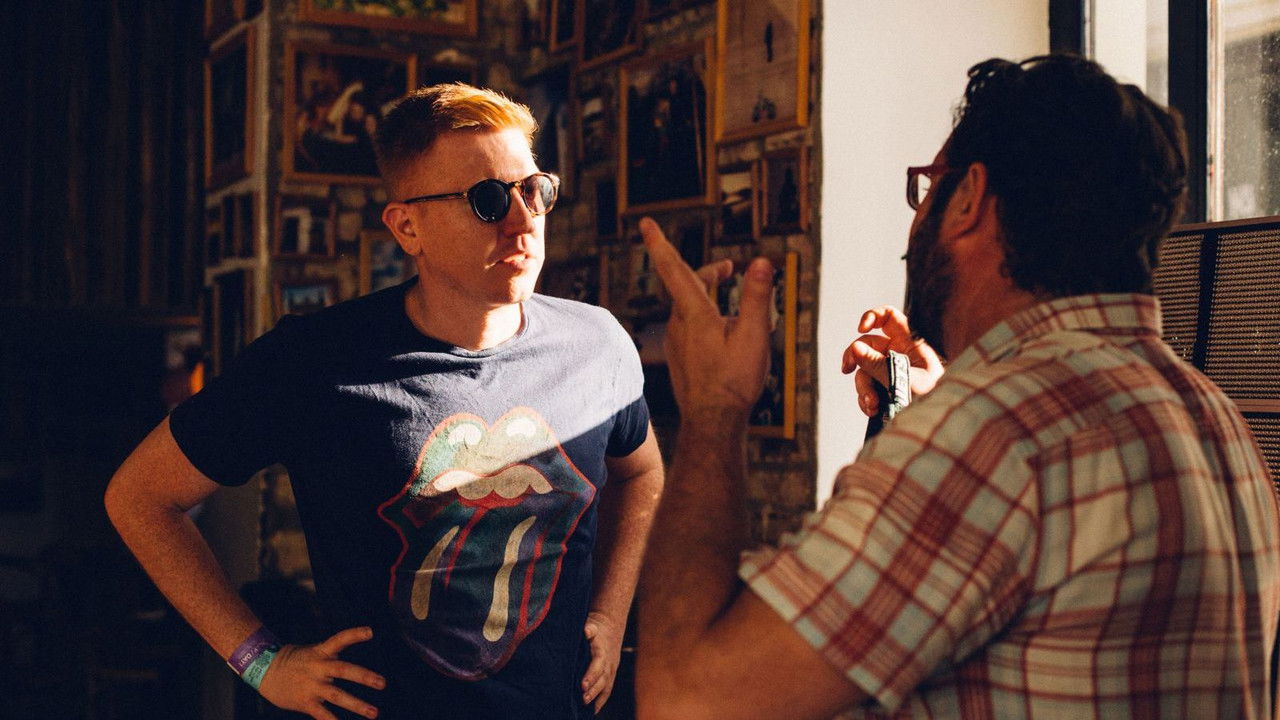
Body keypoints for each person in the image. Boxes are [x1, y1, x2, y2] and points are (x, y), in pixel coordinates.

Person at [634, 54, 1280, 719]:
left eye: (928, 188)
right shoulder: (1216, 421)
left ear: (970, 196)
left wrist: (714, 408)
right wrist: (943, 398)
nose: (917, 220)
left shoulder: (991, 433)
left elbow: (684, 699)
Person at [105, 83, 664, 720]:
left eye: (534, 190)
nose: (522, 220)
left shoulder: (597, 344)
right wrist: (261, 663)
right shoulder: (313, 361)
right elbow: (140, 498)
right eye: (487, 199)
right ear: (407, 227)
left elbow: (641, 471)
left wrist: (611, 613)